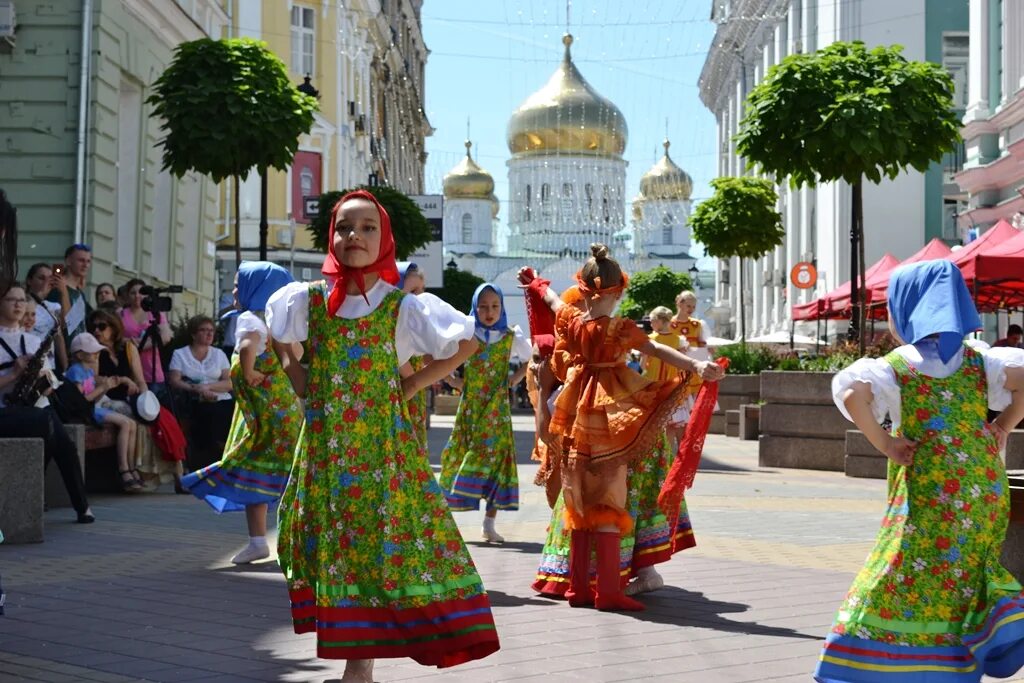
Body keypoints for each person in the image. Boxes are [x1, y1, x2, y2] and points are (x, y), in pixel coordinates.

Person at [267, 189, 499, 680]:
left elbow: (465, 343)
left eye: (368, 227)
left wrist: (412, 382)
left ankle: (361, 662)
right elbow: (276, 333)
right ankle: (360, 658)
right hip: (327, 455)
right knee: (333, 545)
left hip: (382, 454)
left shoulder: (402, 308)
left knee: (380, 546)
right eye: (344, 227)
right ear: (331, 236)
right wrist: (294, 372)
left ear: (384, 239)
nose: (354, 236)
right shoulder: (308, 300)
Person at [815, 260, 1024, 682]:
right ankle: (959, 664)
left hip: (927, 490)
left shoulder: (896, 364)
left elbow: (853, 394)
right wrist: (1003, 425)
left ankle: (866, 662)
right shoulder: (980, 359)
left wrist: (887, 443)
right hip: (981, 490)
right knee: (963, 575)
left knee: (898, 568)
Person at [549, 244, 723, 612]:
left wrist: (535, 284)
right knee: (611, 497)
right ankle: (608, 591)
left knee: (578, 498)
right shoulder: (619, 327)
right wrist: (696, 368)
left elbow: (552, 302)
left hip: (576, 410)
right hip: (611, 413)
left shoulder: (571, 319)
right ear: (617, 292)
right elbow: (659, 351)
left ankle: (578, 589)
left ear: (581, 290)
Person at [181, 263, 302, 565]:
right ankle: (292, 538)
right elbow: (296, 356)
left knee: (252, 469)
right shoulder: (280, 323)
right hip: (284, 412)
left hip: (263, 416)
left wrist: (247, 373)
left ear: (256, 289)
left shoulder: (249, 319)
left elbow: (247, 346)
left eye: (238, 285)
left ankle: (259, 540)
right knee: (286, 472)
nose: (234, 290)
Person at [440, 283, 531, 543]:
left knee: (496, 460)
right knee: (462, 455)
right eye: (483, 306)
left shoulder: (511, 336)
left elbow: (531, 357)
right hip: (470, 407)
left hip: (497, 408)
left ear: (502, 307)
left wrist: (515, 379)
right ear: (474, 308)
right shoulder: (468, 335)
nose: (489, 311)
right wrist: (454, 381)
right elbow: (441, 355)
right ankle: (446, 523)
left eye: (495, 306)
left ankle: (489, 523)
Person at [0, 282, 94, 523]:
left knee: (65, 444)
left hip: (33, 406)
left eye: (22, 299)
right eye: (12, 299)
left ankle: (82, 507)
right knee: (49, 423)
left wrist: (44, 381)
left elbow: (50, 379)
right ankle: (36, 494)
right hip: (5, 409)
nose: (19, 304)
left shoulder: (31, 341)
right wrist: (13, 375)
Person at [87, 308, 173, 490]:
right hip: (104, 400)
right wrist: (123, 380)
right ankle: (128, 470)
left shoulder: (128, 347)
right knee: (132, 419)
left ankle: (154, 471)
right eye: (93, 327)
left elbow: (140, 379)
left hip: (128, 399)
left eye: (101, 326)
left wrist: (146, 401)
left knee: (159, 418)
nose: (96, 331)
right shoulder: (93, 351)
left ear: (114, 328)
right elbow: (95, 380)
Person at [64, 333, 141, 493]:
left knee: (131, 423)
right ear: (79, 354)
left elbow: (94, 398)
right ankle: (124, 469)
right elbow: (81, 401)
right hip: (84, 413)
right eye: (93, 352)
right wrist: (103, 387)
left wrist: (105, 387)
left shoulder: (89, 372)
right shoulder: (75, 371)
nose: (97, 354)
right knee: (126, 424)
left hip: (92, 409)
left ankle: (132, 467)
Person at [167, 316, 234, 470]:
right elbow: (174, 380)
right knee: (206, 413)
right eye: (203, 330)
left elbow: (229, 382)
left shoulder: (219, 354)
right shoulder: (180, 354)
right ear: (193, 334)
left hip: (220, 398)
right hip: (192, 399)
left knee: (226, 411)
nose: (209, 334)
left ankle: (221, 457)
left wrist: (207, 387)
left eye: (211, 331)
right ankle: (207, 461)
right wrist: (195, 389)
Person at [396, 261, 431, 446]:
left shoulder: (414, 322)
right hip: (399, 390)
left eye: (422, 290)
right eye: (412, 291)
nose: (419, 297)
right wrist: (416, 379)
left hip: (414, 391)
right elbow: (395, 353)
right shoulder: (390, 320)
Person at [120, 278, 172, 395]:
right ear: (128, 295)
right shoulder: (121, 314)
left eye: (141, 292)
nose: (137, 296)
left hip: (153, 370)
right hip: (131, 370)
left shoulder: (155, 313)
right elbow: (115, 338)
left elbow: (165, 337)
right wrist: (131, 343)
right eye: (133, 293)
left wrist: (140, 345)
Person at [25, 263, 68, 371]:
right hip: (27, 360)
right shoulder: (22, 302)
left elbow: (64, 327)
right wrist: (41, 293)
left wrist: (64, 292)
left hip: (48, 365)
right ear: (29, 280)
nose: (46, 282)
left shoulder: (52, 307)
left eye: (49, 279)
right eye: (41, 278)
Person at [47, 243, 92, 341]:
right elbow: (66, 325)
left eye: (88, 261)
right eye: (81, 260)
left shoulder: (80, 292)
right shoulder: (57, 288)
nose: (86, 265)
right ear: (68, 261)